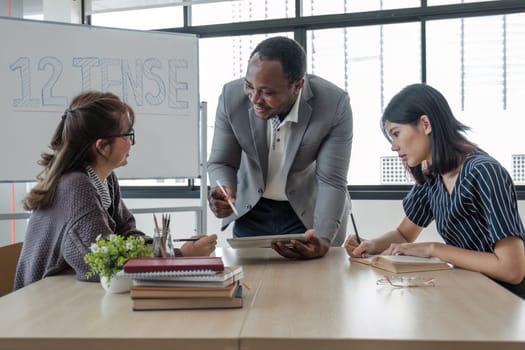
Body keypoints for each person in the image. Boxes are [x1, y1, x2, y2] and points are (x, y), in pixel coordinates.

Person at [14, 91, 217, 290]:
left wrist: (166, 249)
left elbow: (126, 234)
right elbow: (101, 263)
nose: (131, 143)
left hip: (68, 294)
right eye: (128, 135)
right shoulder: (76, 186)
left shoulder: (106, 179)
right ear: (102, 146)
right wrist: (179, 257)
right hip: (43, 303)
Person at [344, 83, 525, 298]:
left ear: (425, 124)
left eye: (396, 134)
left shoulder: (485, 172)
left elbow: (512, 270)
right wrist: (370, 245)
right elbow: (404, 234)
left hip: (507, 300)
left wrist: (433, 249)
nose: (393, 146)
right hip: (470, 291)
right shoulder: (433, 175)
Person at [207, 36, 353, 259]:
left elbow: (331, 180)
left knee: (309, 289)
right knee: (250, 288)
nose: (254, 98)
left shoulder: (333, 105)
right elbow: (221, 161)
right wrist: (224, 189)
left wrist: (323, 239)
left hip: (306, 213)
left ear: (297, 85)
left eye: (267, 92)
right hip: (251, 210)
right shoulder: (230, 97)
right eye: (249, 86)